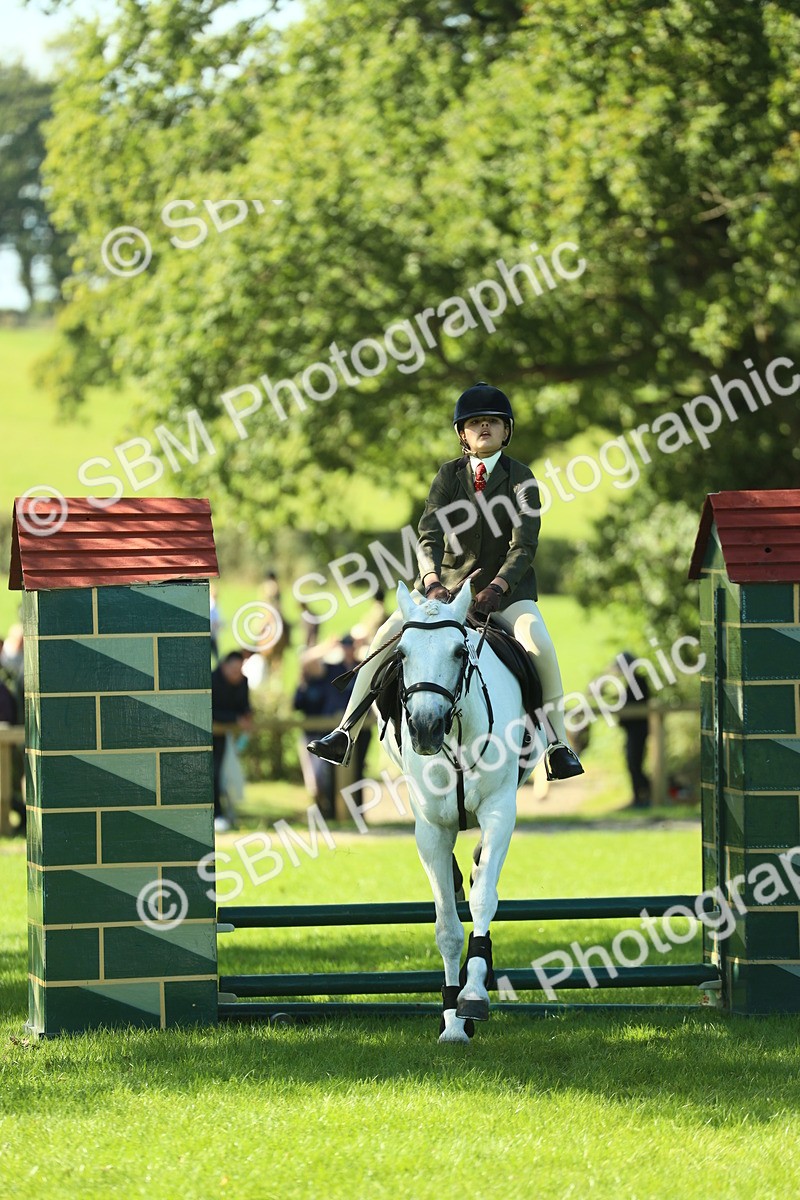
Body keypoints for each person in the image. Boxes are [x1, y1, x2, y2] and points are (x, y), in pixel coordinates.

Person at [308, 382, 583, 780]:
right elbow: (429, 536)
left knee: (539, 643)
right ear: (462, 434)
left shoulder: (522, 479)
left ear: (506, 430)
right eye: (475, 422)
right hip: (445, 588)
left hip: (507, 595)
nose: (484, 427)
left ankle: (557, 744)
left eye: (492, 421)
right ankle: (345, 732)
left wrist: (498, 588)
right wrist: (432, 580)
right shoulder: (448, 476)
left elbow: (524, 546)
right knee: (383, 636)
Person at [211, 651, 253, 832]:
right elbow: (210, 709)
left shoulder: (243, 682)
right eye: (233, 669)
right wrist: (235, 719)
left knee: (221, 773)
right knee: (213, 773)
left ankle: (224, 813)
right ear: (224, 666)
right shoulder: (211, 680)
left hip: (226, 736)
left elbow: (244, 706)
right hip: (210, 733)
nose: (237, 673)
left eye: (239, 669)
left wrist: (247, 715)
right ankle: (216, 813)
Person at [617, 650, 651, 807]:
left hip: (637, 731)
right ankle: (640, 795)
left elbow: (635, 704)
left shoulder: (637, 682)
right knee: (633, 763)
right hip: (634, 730)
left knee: (635, 763)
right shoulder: (633, 682)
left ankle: (644, 795)